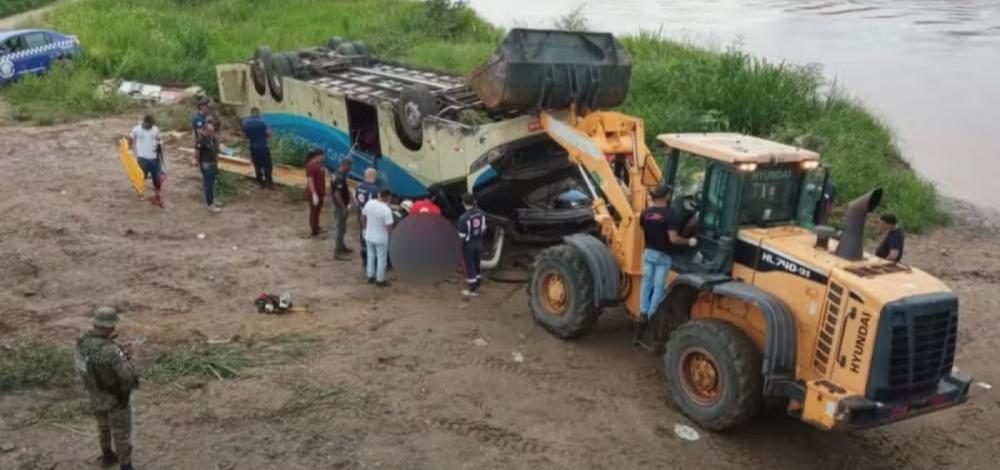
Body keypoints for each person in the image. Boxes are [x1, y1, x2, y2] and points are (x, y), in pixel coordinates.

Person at [74, 307, 140, 470]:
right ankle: (126, 466)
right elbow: (127, 376)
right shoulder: (111, 351)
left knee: (103, 427)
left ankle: (107, 455)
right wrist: (132, 356)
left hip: (95, 394)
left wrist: (118, 349)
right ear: (109, 326)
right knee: (121, 432)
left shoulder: (82, 342)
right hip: (116, 398)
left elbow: (92, 365)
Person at [638, 184, 696, 320]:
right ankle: (652, 315)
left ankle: (643, 313)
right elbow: (674, 239)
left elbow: (643, 229)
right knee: (659, 287)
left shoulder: (645, 213)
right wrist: (689, 241)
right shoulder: (670, 215)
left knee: (646, 283)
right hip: (663, 256)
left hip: (648, 253)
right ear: (668, 196)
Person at [128, 115, 164, 207]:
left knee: (157, 178)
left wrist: (159, 145)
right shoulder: (136, 129)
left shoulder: (155, 129)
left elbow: (158, 139)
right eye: (149, 125)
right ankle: (140, 193)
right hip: (142, 158)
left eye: (152, 125)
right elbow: (130, 138)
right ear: (144, 122)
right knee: (140, 177)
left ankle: (157, 194)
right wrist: (129, 150)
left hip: (155, 158)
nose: (150, 126)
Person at [362, 189, 394, 286]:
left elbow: (363, 216)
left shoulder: (369, 203)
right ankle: (380, 279)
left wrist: (364, 229)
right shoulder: (386, 210)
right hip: (381, 238)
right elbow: (389, 226)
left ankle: (370, 276)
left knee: (370, 256)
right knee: (381, 259)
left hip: (369, 235)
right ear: (387, 197)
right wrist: (391, 236)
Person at [457, 193, 487, 297]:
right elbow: (483, 229)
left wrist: (459, 248)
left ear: (463, 203)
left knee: (470, 266)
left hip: (469, 245)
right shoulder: (481, 213)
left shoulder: (463, 218)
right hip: (479, 242)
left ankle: (473, 290)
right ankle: (478, 286)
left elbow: (461, 236)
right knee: (477, 265)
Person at [354, 168, 381, 267]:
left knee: (363, 236)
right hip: (371, 217)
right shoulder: (376, 189)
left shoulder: (358, 187)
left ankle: (364, 259)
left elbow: (355, 200)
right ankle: (372, 261)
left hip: (361, 215)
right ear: (374, 176)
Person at [240, 107, 273, 188]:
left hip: (253, 148)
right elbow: (269, 133)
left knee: (257, 165)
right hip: (263, 147)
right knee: (267, 165)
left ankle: (260, 182)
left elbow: (244, 137)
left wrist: (251, 136)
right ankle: (269, 182)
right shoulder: (263, 122)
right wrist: (263, 136)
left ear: (251, 113)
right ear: (258, 113)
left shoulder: (245, 123)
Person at [195, 123, 222, 213]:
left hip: (213, 163)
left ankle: (213, 200)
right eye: (210, 131)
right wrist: (198, 163)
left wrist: (217, 160)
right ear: (205, 130)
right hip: (206, 164)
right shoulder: (201, 140)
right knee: (208, 185)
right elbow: (197, 153)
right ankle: (210, 205)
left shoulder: (213, 139)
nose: (211, 133)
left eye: (212, 131)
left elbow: (216, 150)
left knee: (213, 183)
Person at [331, 158, 354, 258]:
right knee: (340, 227)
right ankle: (337, 250)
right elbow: (337, 194)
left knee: (342, 227)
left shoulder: (336, 173)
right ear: (345, 165)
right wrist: (344, 207)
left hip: (339, 205)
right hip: (340, 206)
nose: (350, 169)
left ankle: (341, 246)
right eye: (350, 167)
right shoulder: (339, 177)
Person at [304, 150, 326, 237]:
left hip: (320, 191)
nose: (323, 158)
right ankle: (314, 231)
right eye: (322, 156)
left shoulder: (318, 165)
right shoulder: (311, 166)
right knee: (314, 212)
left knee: (317, 211)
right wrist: (314, 194)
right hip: (315, 192)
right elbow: (310, 181)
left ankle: (316, 227)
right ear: (317, 156)